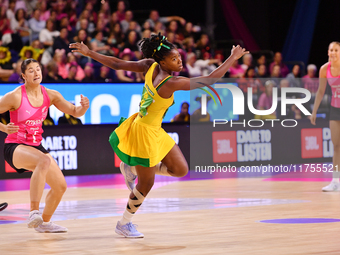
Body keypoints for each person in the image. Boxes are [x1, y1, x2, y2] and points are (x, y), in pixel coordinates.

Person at [70, 33, 247, 238]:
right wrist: (232, 58)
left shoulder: (150, 66)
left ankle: (132, 166)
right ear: (161, 61)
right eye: (174, 59)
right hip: (143, 132)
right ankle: (124, 223)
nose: (179, 61)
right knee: (146, 184)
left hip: (154, 129)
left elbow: (117, 64)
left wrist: (89, 52)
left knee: (180, 170)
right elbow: (209, 80)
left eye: (179, 56)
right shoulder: (170, 82)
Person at [0, 58, 89, 232]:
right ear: (24, 76)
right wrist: (3, 127)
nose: (36, 73)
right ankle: (33, 211)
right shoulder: (15, 96)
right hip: (15, 147)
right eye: (31, 70)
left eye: (38, 69)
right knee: (43, 161)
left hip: (36, 147)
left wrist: (83, 108)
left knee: (60, 187)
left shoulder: (51, 94)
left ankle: (44, 224)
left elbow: (74, 112)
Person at [311, 42, 340, 192]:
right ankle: (335, 181)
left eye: (336, 50)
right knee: (336, 146)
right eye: (331, 50)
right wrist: (314, 111)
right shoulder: (324, 69)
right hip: (335, 109)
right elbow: (321, 91)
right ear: (328, 52)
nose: (333, 52)